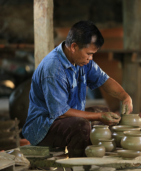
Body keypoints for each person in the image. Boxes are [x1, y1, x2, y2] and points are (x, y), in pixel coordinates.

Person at [22, 21, 133, 157]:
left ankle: (96, 158)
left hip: (64, 118)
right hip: (43, 127)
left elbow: (104, 81)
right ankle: (80, 165)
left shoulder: (82, 61)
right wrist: (98, 116)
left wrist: (125, 97)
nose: (90, 58)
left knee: (104, 112)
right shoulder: (54, 68)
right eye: (89, 53)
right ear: (74, 47)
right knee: (82, 126)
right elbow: (60, 113)